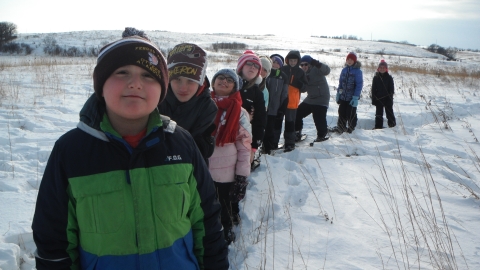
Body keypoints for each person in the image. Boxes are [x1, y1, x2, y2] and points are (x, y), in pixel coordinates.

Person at [31, 35, 229, 270]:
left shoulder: (182, 143)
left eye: (148, 75)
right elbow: (53, 242)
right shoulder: (71, 152)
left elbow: (207, 223)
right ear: (101, 84)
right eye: (122, 72)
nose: (135, 83)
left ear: (161, 90)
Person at [208, 69, 252, 245]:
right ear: (213, 82)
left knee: (224, 207)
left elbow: (244, 147)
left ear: (235, 87)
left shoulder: (240, 112)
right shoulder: (203, 106)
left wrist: (242, 176)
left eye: (229, 80)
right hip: (202, 167)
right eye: (220, 78)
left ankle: (226, 232)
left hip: (226, 173)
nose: (224, 81)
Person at [159, 43, 217, 165]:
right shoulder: (157, 100)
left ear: (200, 82)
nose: (183, 88)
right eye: (177, 79)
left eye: (191, 80)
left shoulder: (207, 108)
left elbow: (200, 151)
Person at [237, 50, 267, 169]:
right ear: (241, 66)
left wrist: (254, 148)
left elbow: (260, 121)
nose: (252, 68)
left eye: (256, 66)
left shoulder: (257, 94)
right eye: (249, 63)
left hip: (245, 141)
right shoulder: (230, 86)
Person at [295, 55, 331, 142]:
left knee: (318, 117)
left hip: (321, 98)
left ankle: (322, 136)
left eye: (306, 64)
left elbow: (327, 70)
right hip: (310, 98)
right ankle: (297, 133)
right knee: (297, 113)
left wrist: (318, 64)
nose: (304, 67)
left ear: (310, 64)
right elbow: (304, 90)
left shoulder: (317, 69)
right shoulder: (302, 74)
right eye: (302, 65)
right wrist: (300, 84)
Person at [280, 50, 308, 151]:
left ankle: (290, 143)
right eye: (290, 60)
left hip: (292, 101)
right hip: (281, 100)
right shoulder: (283, 69)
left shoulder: (300, 72)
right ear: (287, 60)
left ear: (298, 61)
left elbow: (305, 88)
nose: (292, 62)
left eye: (294, 60)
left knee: (290, 123)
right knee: (277, 122)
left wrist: (299, 84)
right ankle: (272, 143)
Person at [331, 51, 364, 134]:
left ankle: (351, 128)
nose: (349, 61)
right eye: (348, 59)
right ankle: (341, 127)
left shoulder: (358, 72)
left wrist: (355, 97)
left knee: (351, 113)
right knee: (341, 111)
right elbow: (341, 83)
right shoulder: (344, 70)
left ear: (354, 61)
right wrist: (339, 93)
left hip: (351, 98)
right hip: (343, 97)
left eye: (351, 60)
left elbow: (359, 85)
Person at [262, 55, 289, 154]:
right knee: (263, 127)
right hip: (264, 107)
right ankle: (262, 145)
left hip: (275, 108)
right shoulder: (265, 74)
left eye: (277, 62)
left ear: (280, 65)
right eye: (273, 62)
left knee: (272, 129)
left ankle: (271, 146)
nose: (275, 64)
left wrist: (282, 107)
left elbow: (284, 93)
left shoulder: (283, 76)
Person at [371, 59, 396, 129]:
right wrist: (374, 99)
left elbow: (391, 89)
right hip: (378, 99)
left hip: (388, 99)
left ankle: (392, 126)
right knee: (379, 114)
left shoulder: (389, 78)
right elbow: (373, 89)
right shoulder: (375, 78)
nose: (382, 69)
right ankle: (378, 127)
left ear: (386, 69)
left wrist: (389, 97)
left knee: (389, 113)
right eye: (380, 68)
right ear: (378, 69)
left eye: (383, 68)